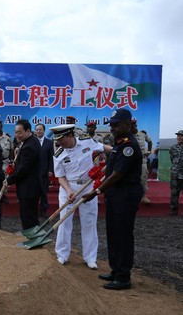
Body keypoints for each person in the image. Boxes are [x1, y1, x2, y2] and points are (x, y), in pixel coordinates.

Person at [83, 109, 143, 290]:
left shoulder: (129, 146)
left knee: (123, 235)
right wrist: (98, 176)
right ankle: (116, 270)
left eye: (117, 125)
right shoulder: (119, 144)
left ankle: (124, 276)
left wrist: (96, 191)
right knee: (113, 232)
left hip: (125, 195)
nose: (113, 128)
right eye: (112, 125)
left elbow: (117, 174)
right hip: (115, 194)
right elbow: (110, 168)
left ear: (127, 124)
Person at [51, 124, 109, 269]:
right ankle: (62, 255)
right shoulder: (58, 154)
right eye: (57, 140)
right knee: (64, 222)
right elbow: (60, 177)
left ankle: (90, 258)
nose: (59, 143)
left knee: (89, 222)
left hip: (87, 187)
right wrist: (69, 190)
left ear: (70, 136)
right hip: (68, 189)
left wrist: (115, 156)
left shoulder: (87, 142)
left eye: (61, 139)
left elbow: (105, 148)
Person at [6, 119, 41, 230]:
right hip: (30, 186)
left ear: (28, 131)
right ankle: (31, 235)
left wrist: (9, 180)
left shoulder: (29, 146)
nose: (17, 135)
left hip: (29, 187)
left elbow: (23, 170)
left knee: (28, 215)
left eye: (19, 132)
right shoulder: (30, 141)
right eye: (15, 132)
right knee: (29, 214)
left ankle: (31, 237)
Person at [35, 123, 54, 217]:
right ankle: (34, 211)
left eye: (40, 129)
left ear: (44, 130)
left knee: (43, 192)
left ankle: (43, 210)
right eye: (37, 130)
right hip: (33, 172)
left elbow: (51, 158)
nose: (38, 131)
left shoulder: (49, 142)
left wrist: (51, 170)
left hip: (44, 171)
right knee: (34, 192)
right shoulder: (32, 141)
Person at [131, 119, 152, 204]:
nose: (131, 127)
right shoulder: (127, 135)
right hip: (131, 160)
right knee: (131, 178)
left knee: (143, 178)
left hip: (142, 160)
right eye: (130, 126)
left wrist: (149, 152)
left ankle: (144, 196)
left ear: (136, 125)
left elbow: (150, 142)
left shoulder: (142, 134)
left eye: (133, 125)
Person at [0, 120, 13, 203]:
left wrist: (11, 161)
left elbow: (11, 149)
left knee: (5, 179)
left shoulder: (8, 137)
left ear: (1, 126)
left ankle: (3, 195)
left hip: (5, 161)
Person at [169, 130, 183, 216]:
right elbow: (172, 160)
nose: (179, 137)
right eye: (178, 136)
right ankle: (173, 210)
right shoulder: (172, 148)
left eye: (181, 136)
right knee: (174, 193)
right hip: (175, 174)